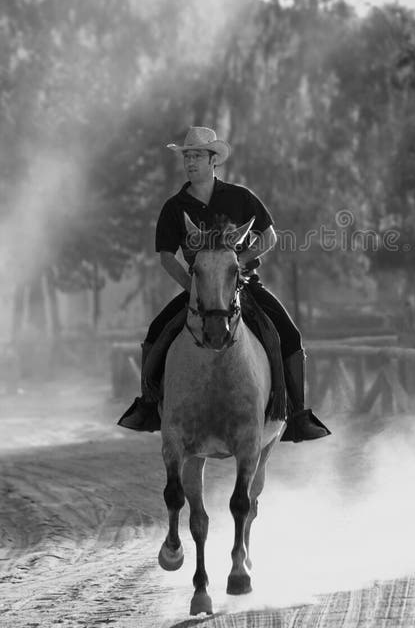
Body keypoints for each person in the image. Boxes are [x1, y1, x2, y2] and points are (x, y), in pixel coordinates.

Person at [118, 126, 330, 443]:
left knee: (288, 334)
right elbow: (166, 257)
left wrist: (234, 265)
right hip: (198, 291)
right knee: (156, 333)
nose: (190, 162)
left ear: (213, 159)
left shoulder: (240, 197)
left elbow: (269, 237)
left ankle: (297, 414)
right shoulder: (174, 208)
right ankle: (149, 405)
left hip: (244, 285)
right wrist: (193, 288)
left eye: (197, 156)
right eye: (187, 156)